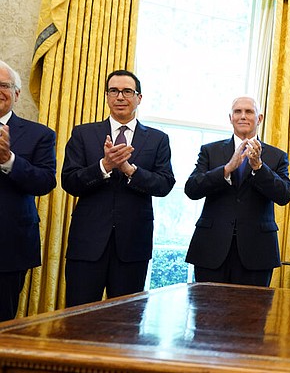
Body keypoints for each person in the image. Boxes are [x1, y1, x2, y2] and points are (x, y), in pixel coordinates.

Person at [62, 70, 175, 307]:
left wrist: (128, 169)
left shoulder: (157, 139)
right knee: (78, 318)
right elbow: (69, 181)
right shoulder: (84, 133)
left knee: (126, 322)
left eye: (127, 91)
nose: (120, 97)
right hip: (88, 243)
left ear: (139, 97)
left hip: (133, 244)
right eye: (114, 91)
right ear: (107, 96)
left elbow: (164, 184)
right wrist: (104, 166)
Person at [185, 96, 290, 287]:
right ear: (230, 118)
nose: (243, 116)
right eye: (238, 112)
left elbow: (284, 195)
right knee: (207, 315)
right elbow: (192, 189)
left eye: (249, 112)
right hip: (211, 248)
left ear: (259, 118)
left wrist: (259, 167)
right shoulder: (210, 151)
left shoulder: (276, 156)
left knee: (252, 316)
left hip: (257, 252)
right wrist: (226, 169)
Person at [0, 60, 57, 321]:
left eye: (4, 85)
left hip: (9, 246)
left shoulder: (40, 134)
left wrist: (9, 160)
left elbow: (45, 182)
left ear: (17, 93)